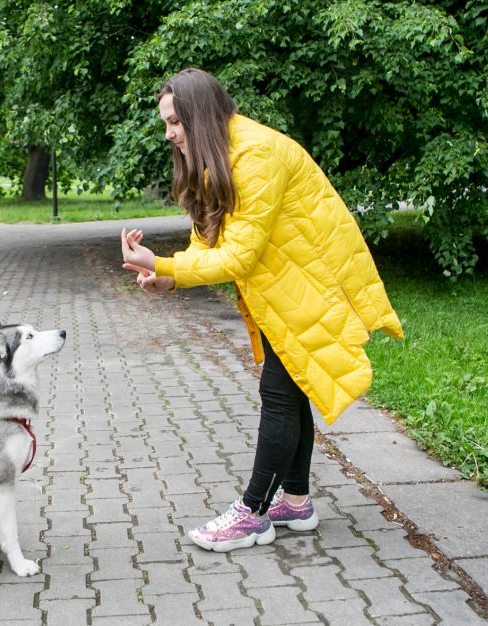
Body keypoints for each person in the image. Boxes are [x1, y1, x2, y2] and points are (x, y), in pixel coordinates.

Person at [120, 68, 403, 553]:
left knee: (279, 394)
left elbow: (240, 256)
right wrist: (168, 275)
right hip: (284, 286)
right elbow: (210, 236)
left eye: (173, 122)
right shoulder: (221, 155)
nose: (168, 133)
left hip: (309, 284)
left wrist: (165, 261)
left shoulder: (256, 155)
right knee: (291, 393)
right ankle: (294, 501)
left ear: (197, 115)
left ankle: (253, 514)